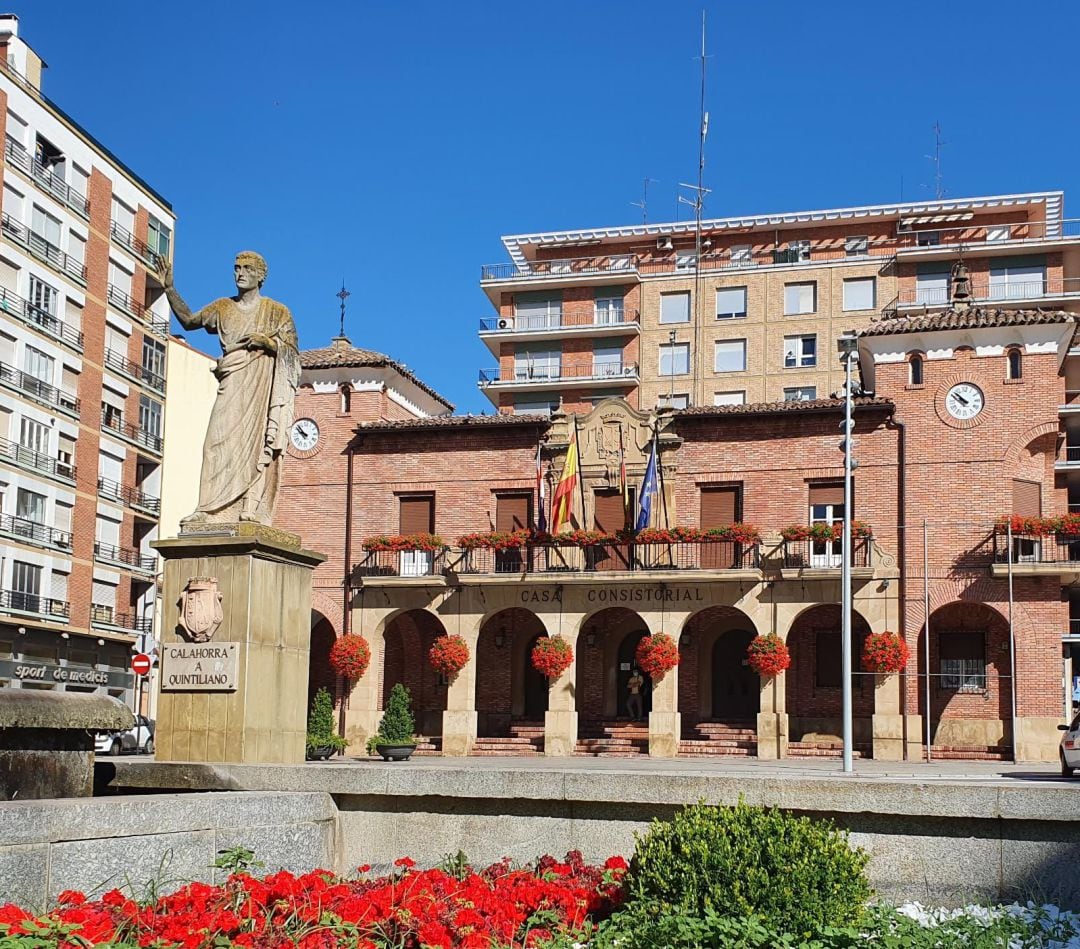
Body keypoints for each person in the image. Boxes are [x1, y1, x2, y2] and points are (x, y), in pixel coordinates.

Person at [156, 252, 299, 526]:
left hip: (260, 388)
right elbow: (189, 320)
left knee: (256, 445)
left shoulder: (278, 312)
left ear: (260, 276)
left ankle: (249, 505)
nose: (240, 274)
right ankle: (207, 508)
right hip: (232, 379)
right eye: (236, 268)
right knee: (215, 444)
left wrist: (269, 344)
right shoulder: (222, 307)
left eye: (247, 269)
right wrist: (169, 289)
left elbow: (293, 354)